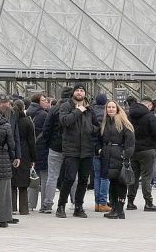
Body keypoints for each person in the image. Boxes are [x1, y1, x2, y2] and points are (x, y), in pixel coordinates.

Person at [56, 83, 100, 218]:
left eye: (82, 91)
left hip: (86, 149)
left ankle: (79, 206)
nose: (80, 93)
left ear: (85, 93)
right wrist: (78, 110)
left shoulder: (90, 109)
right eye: (77, 90)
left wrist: (90, 129)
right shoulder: (66, 106)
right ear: (73, 93)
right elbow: (64, 122)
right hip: (71, 149)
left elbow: (96, 126)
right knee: (69, 178)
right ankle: (61, 205)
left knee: (83, 180)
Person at [125, 96, 156, 211]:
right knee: (146, 176)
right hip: (147, 150)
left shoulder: (129, 115)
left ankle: (130, 202)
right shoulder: (150, 116)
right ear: (149, 105)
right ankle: (148, 202)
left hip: (133, 150)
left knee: (134, 176)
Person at [99, 100, 135, 219]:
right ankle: (114, 208)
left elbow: (130, 142)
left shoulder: (123, 122)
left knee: (120, 183)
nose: (110, 109)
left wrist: (125, 156)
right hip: (108, 157)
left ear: (117, 109)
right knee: (113, 183)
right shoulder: (105, 122)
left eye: (113, 107)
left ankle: (119, 209)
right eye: (108, 107)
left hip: (119, 157)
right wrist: (100, 150)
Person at [39, 87, 71, 213]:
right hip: (71, 148)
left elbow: (46, 129)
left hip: (55, 146)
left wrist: (49, 143)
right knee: (72, 176)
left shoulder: (54, 109)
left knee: (52, 176)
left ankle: (47, 204)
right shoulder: (76, 109)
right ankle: (75, 203)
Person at [11, 99, 37, 215]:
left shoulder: (10, 121)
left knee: (11, 182)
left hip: (11, 153)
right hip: (25, 153)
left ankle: (11, 207)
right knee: (23, 183)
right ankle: (24, 209)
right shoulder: (27, 121)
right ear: (23, 108)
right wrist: (33, 158)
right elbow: (32, 141)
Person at [26, 93, 50, 213]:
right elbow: (47, 133)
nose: (46, 102)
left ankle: (30, 203)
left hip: (30, 148)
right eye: (44, 100)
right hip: (43, 148)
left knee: (33, 176)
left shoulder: (27, 113)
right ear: (38, 102)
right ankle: (44, 204)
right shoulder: (44, 115)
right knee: (45, 177)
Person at [91, 92, 110, 211]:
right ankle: (103, 202)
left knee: (97, 176)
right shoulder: (106, 114)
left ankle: (97, 203)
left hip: (93, 149)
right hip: (104, 148)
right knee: (105, 176)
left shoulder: (92, 112)